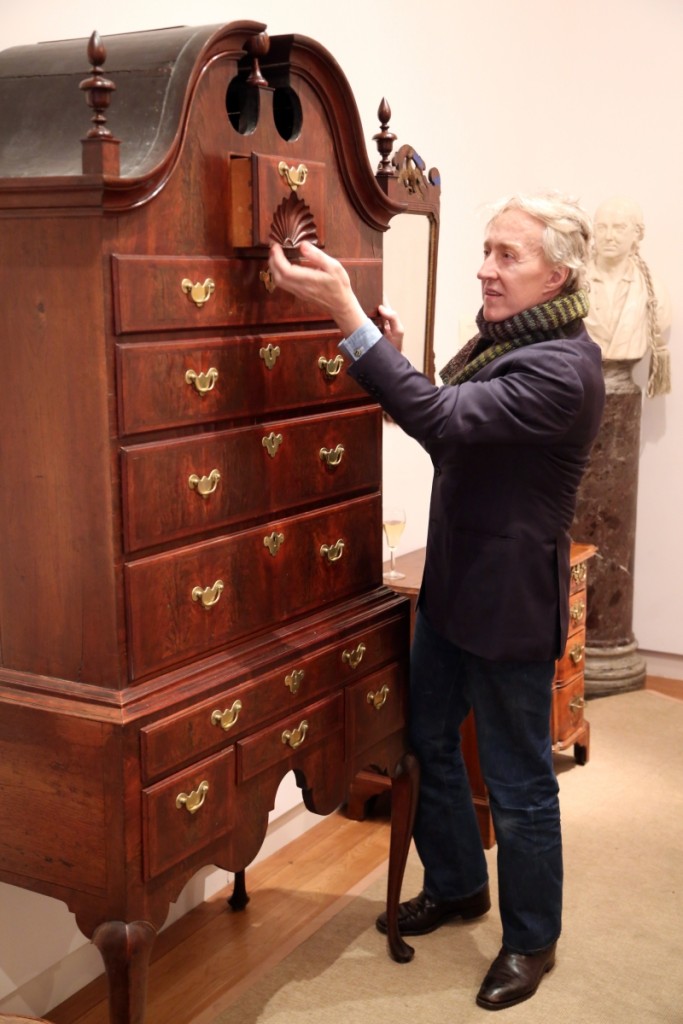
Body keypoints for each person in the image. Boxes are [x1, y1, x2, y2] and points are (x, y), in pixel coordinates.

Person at [268, 192, 605, 1011]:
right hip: (452, 586)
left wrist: (347, 313)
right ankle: (458, 885)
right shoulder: (508, 342)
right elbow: (446, 424)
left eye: (506, 256)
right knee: (424, 742)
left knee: (521, 783)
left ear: (556, 273)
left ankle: (531, 940)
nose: (485, 269)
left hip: (509, 603)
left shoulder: (562, 367)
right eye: (484, 249)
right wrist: (386, 353)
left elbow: (444, 420)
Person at [585, 195, 671, 395]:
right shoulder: (572, 289)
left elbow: (659, 321)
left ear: (637, 234)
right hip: (584, 387)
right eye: (601, 227)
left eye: (619, 228)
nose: (609, 236)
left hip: (625, 386)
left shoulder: (653, 293)